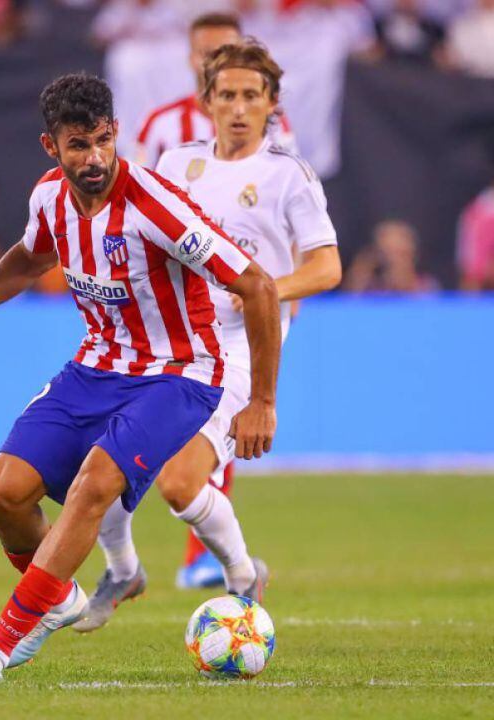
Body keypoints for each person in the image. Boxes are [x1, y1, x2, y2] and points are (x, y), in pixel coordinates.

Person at [0, 72, 281, 682]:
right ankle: (57, 599)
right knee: (2, 493)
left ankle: (1, 643)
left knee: (94, 484)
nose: (94, 158)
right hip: (95, 365)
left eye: (103, 140)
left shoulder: (154, 205)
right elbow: (30, 257)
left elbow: (257, 285)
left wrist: (261, 400)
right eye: (78, 145)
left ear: (116, 135)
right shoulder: (49, 198)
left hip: (178, 373)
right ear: (50, 147)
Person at [75, 39, 342, 633]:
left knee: (178, 481)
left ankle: (243, 575)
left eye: (252, 96)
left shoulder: (287, 176)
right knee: (99, 457)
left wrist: (257, 286)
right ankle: (123, 570)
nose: (240, 108)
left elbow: (328, 267)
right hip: (171, 334)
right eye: (228, 95)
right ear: (207, 101)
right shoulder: (177, 166)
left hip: (244, 343)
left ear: (272, 103)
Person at [126, 11, 294, 593]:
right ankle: (127, 567)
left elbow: (290, 234)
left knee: (199, 451)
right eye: (206, 56)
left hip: (239, 326)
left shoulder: (279, 151)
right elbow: (143, 212)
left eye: (224, 51)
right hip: (178, 320)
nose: (215, 62)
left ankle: (210, 559)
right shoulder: (164, 136)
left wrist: (272, 296)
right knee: (130, 447)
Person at [133, 13, 295, 178]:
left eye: (228, 53)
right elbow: (133, 191)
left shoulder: (272, 121)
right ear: (191, 59)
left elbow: (292, 181)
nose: (218, 64)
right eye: (207, 53)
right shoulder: (158, 124)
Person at [343, 219, 438, 293]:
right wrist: (364, 265)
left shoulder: (425, 284)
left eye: (399, 253)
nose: (394, 259)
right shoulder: (373, 287)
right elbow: (349, 301)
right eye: (388, 252)